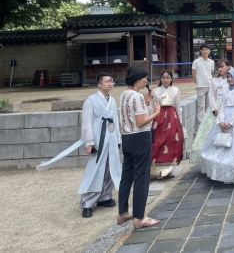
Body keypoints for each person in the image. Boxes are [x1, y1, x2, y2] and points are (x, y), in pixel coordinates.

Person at [37, 73, 122, 219]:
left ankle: (105, 196)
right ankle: (87, 203)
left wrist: (118, 138)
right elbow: (87, 122)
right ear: (99, 84)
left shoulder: (112, 100)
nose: (110, 83)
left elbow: (115, 120)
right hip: (98, 138)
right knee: (95, 170)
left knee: (110, 168)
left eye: (112, 81)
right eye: (107, 81)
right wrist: (89, 142)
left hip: (111, 138)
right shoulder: (91, 100)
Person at [118, 64, 161, 228]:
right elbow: (141, 121)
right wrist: (156, 113)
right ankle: (139, 217)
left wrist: (146, 101)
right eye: (145, 78)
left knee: (127, 176)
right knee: (141, 177)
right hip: (140, 137)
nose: (146, 81)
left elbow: (134, 114)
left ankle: (122, 212)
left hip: (127, 137)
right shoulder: (136, 97)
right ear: (138, 79)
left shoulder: (124, 94)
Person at [200, 68, 234, 184]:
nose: (229, 79)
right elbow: (223, 105)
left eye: (231, 77)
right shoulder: (226, 88)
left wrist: (231, 122)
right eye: (228, 77)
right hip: (225, 116)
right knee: (219, 143)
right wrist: (220, 120)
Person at [189, 59, 231, 165]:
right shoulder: (214, 80)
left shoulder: (231, 79)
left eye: (222, 66)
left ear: (228, 67)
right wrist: (215, 108)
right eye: (218, 67)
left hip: (228, 104)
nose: (220, 69)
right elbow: (211, 95)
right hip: (216, 104)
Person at [149, 71, 184, 179]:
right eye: (163, 77)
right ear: (160, 79)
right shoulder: (155, 91)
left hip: (172, 117)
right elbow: (152, 107)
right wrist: (151, 121)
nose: (165, 80)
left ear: (171, 79)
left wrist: (180, 122)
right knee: (158, 142)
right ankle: (158, 170)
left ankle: (169, 169)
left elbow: (178, 107)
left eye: (168, 77)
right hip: (158, 117)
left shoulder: (176, 90)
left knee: (171, 141)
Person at [192, 43, 215, 125]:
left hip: (209, 85)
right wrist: (197, 83)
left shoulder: (211, 62)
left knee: (209, 105)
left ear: (209, 51)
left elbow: (211, 73)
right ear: (200, 51)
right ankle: (201, 123)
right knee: (201, 106)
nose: (204, 51)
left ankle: (208, 121)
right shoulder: (196, 62)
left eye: (206, 50)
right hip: (200, 86)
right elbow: (193, 73)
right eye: (203, 50)